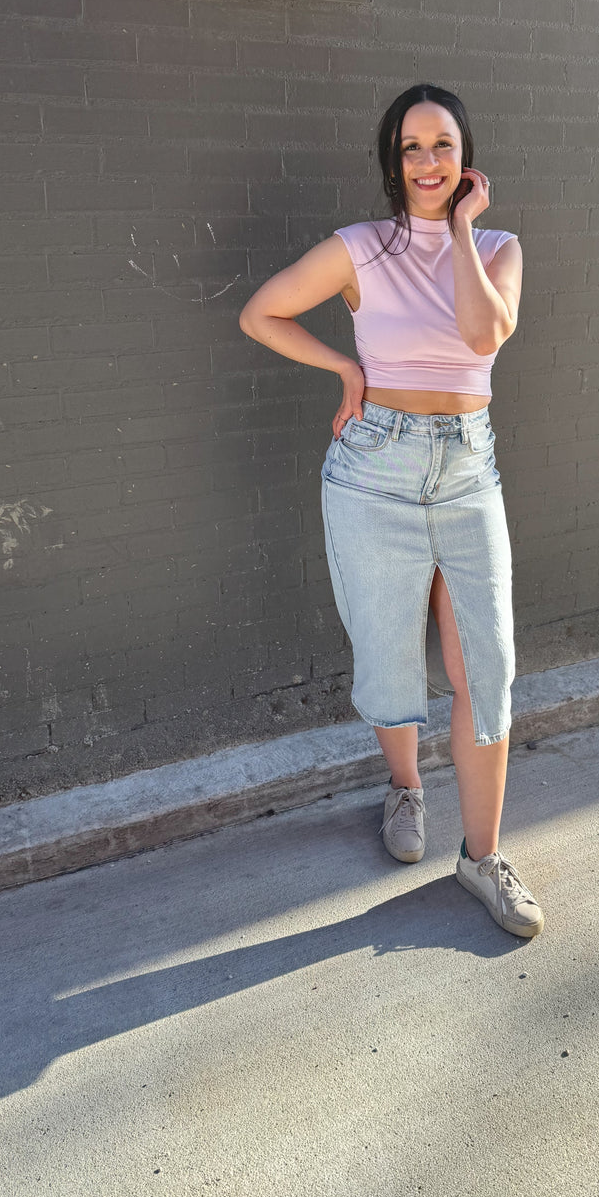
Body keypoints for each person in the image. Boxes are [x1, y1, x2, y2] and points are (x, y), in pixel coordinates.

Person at [238, 83, 543, 938]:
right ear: (391, 162)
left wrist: (458, 235)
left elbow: (484, 336)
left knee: (485, 666)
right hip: (375, 468)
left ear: (466, 157)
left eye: (442, 144)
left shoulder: (499, 249)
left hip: (467, 470)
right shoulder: (359, 249)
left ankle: (482, 857)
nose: (427, 161)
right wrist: (345, 373)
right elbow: (260, 313)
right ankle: (405, 791)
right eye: (410, 147)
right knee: (387, 650)